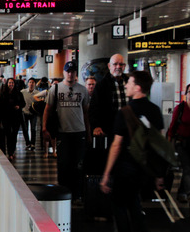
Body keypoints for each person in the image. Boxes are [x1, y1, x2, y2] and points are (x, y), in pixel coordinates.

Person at [100, 70, 164, 232]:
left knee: (118, 204)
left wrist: (106, 173)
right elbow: (160, 143)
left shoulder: (125, 112)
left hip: (126, 166)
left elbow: (116, 145)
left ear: (137, 87)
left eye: (129, 83)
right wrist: (159, 173)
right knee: (133, 199)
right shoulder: (155, 110)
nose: (126, 85)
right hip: (144, 168)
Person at [43, 61, 90, 201]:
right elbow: (47, 110)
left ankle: (77, 194)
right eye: (68, 71)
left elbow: (86, 113)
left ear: (76, 73)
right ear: (64, 72)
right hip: (63, 132)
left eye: (73, 71)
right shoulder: (55, 89)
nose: (70, 74)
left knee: (78, 165)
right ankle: (64, 192)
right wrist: (44, 128)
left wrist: (88, 132)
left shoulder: (83, 90)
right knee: (63, 164)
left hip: (79, 131)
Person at [90, 53, 128, 144]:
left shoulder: (129, 82)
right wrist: (96, 126)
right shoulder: (101, 85)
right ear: (109, 66)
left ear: (124, 66)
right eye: (115, 64)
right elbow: (94, 107)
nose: (118, 67)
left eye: (121, 64)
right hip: (110, 128)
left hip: (128, 127)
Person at [0, 77, 26, 160]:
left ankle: (12, 151)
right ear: (7, 84)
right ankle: (10, 152)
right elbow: (0, 108)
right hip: (6, 117)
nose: (11, 84)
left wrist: (19, 106)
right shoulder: (3, 94)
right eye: (9, 83)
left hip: (16, 117)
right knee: (8, 135)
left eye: (12, 83)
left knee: (14, 134)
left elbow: (23, 103)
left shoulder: (19, 93)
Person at [20, 78, 40, 151]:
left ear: (35, 84)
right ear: (28, 83)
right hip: (25, 112)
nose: (31, 84)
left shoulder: (38, 93)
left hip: (33, 113)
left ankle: (33, 144)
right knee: (25, 129)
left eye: (33, 82)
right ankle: (27, 143)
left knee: (33, 128)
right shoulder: (23, 92)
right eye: (30, 82)